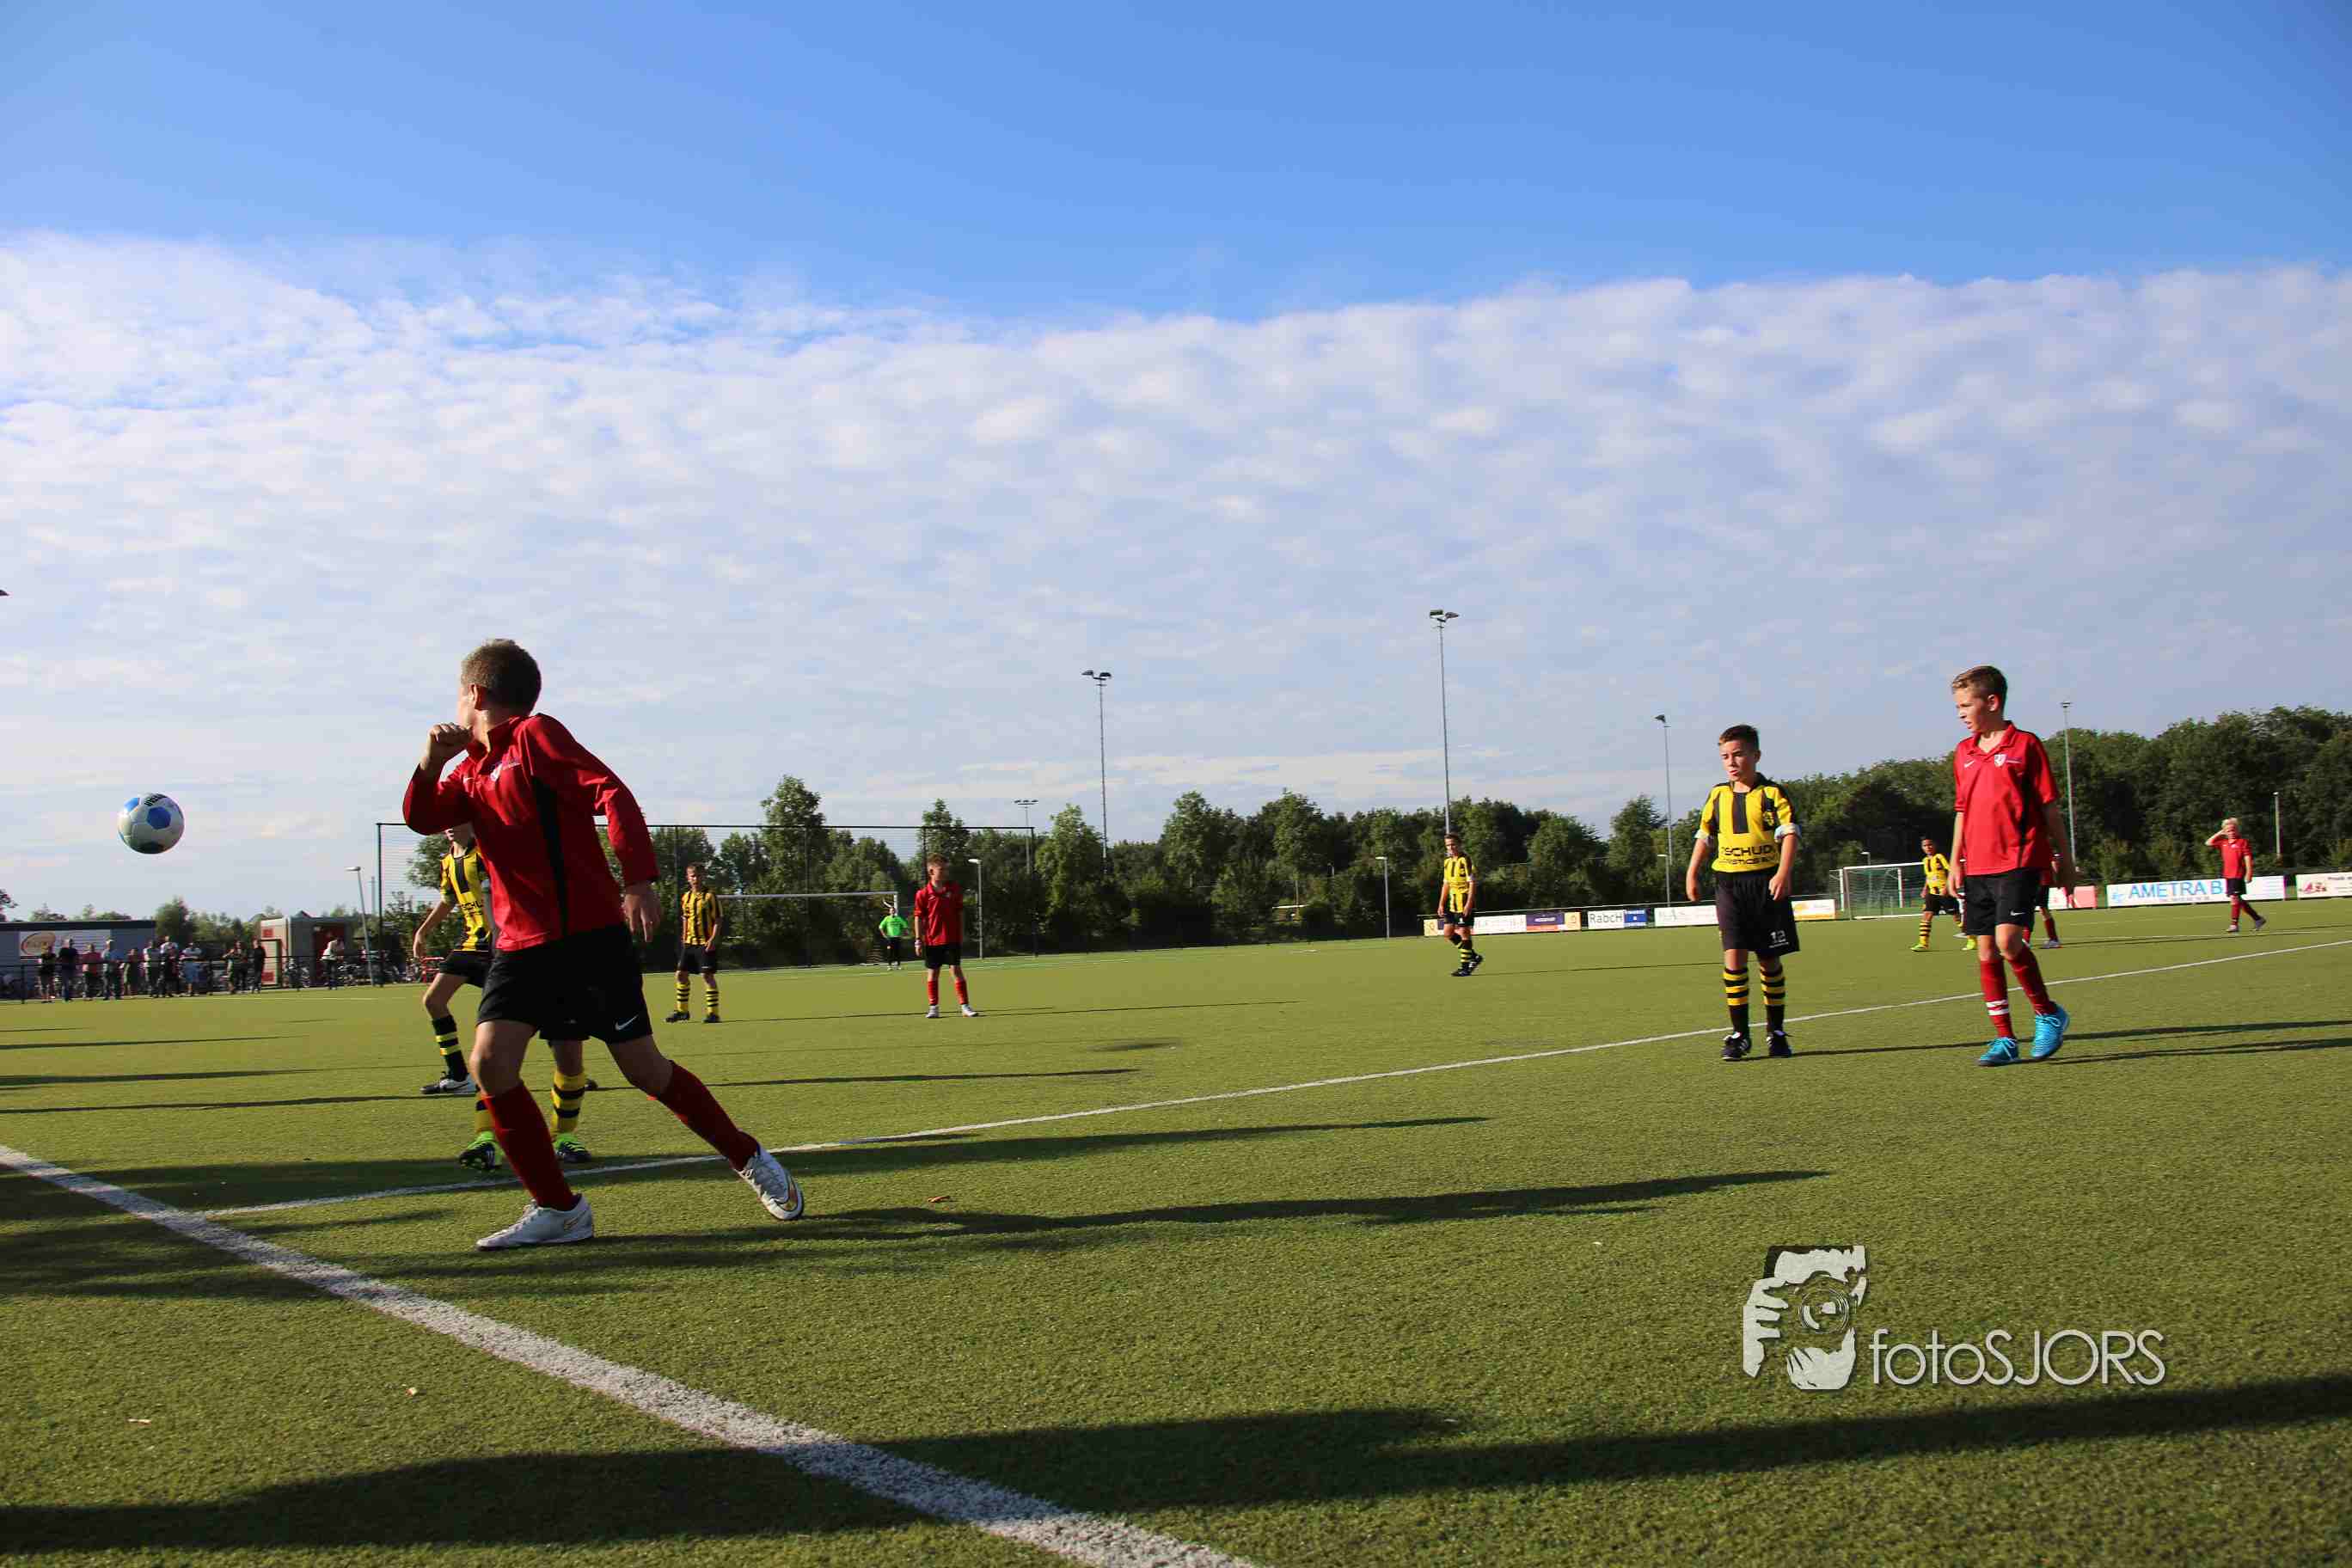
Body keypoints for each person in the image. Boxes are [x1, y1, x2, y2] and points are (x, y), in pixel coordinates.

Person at [404, 637, 802, 1249]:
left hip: (587, 938)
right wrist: (429, 762)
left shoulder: (536, 737)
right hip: (518, 948)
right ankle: (559, 1209)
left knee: (644, 1070)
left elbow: (611, 792)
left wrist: (638, 880)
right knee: (490, 1064)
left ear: (475, 694)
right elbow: (423, 818)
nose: (454, 705)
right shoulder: (470, 769)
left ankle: (748, 1156)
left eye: (458, 694)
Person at [413, 823, 597, 1168]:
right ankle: (483, 1133)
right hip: (496, 950)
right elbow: (462, 899)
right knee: (490, 1051)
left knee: (570, 1054)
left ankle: (563, 1136)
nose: (448, 826)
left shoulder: (524, 848)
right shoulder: (463, 858)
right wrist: (424, 931)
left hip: (551, 953)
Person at [1950, 665, 2079, 1066]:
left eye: (1966, 705)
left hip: (2020, 859)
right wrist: (1955, 862)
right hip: (1978, 866)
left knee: (2008, 942)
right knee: (1986, 951)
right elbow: (1961, 811)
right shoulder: (1963, 752)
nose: (1960, 713)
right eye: (1958, 707)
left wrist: (2066, 859)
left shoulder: (2026, 746)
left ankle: (2047, 1013)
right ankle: (2004, 1039)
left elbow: (2049, 808)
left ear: (1992, 702)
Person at [1685, 725, 1801, 1061]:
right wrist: (1692, 872)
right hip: (1729, 884)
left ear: (1756, 755)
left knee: (1768, 959)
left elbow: (1790, 833)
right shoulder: (1717, 795)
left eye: (1738, 754)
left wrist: (1783, 872)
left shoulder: (1772, 794)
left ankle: (1776, 1033)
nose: (1731, 762)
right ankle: (1739, 1035)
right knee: (1733, 957)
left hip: (1765, 882)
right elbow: (1704, 836)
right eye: (1725, 756)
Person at [913, 855, 979, 1018]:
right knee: (933, 973)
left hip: (951, 939)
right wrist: (918, 940)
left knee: (956, 970)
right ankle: (933, 1008)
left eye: (946, 869)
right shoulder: (922, 894)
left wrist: (961, 933)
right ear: (931, 871)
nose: (945, 872)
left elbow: (960, 912)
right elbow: (918, 917)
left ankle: (965, 1006)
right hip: (932, 940)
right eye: (941, 869)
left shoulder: (954, 889)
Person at [665, 863, 723, 1025]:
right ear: (688, 878)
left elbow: (718, 919)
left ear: (704, 876)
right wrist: (684, 937)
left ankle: (713, 1014)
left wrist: (714, 939)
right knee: (680, 975)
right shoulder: (686, 897)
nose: (696, 879)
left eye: (699, 875)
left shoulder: (710, 896)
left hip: (705, 943)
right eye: (693, 876)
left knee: (707, 976)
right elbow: (685, 918)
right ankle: (682, 1011)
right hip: (689, 943)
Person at [2206, 818, 2268, 934]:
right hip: (2228, 875)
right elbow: (2208, 843)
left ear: (2237, 830)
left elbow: (2247, 857)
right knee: (2237, 899)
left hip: (2238, 874)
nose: (2231, 832)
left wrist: (2249, 872)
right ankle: (2258, 919)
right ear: (2225, 832)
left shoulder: (2242, 842)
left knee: (2234, 898)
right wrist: (2219, 833)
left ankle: (2234, 925)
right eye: (2228, 830)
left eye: (2233, 830)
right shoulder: (2223, 843)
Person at [1435, 831, 1482, 977]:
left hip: (1464, 901)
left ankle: (1465, 968)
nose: (1451, 847)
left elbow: (1472, 883)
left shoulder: (1466, 860)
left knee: (1464, 933)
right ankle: (1474, 956)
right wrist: (1441, 904)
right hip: (1452, 902)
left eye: (1453, 844)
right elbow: (1446, 884)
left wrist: (1469, 904)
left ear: (1459, 844)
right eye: (1448, 845)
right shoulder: (1447, 862)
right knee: (1448, 933)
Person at [1914, 837, 1966, 951]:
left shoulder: (1940, 857)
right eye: (1925, 846)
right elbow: (1929, 876)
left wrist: (1948, 887)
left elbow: (1951, 871)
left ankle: (1972, 939)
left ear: (1934, 845)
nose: (1928, 847)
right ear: (1922, 848)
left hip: (1945, 893)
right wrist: (1925, 889)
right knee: (1926, 915)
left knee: (1956, 917)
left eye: (1930, 845)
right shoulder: (1925, 860)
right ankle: (1923, 943)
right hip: (1932, 893)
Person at [877, 901, 910, 969]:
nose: (892, 912)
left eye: (893, 910)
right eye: (891, 911)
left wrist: (902, 933)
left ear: (895, 911)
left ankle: (898, 966)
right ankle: (889, 966)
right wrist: (884, 935)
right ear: (889, 912)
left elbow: (905, 926)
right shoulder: (887, 918)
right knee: (890, 952)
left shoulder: (898, 918)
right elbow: (880, 927)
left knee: (897, 952)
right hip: (890, 938)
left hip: (897, 938)